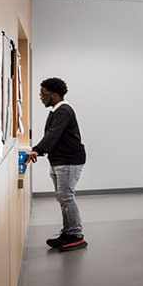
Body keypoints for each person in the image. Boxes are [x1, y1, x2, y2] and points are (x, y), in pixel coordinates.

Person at [27, 77, 88, 251]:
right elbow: (53, 135)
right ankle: (68, 232)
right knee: (63, 198)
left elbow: (53, 134)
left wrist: (37, 150)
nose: (41, 97)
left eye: (43, 94)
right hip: (60, 160)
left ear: (54, 94)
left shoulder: (63, 111)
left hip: (69, 160)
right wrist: (39, 150)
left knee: (67, 197)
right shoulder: (56, 110)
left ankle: (76, 234)